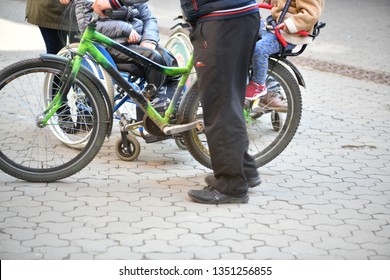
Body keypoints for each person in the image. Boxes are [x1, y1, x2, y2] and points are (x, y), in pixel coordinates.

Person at [93, 0, 261, 204]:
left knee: (220, 105)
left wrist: (113, 2)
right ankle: (243, 170)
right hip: (237, 17)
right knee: (228, 99)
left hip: (222, 22)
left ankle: (230, 185)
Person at [74, 0, 178, 113]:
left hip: (139, 40)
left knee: (168, 57)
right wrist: (126, 30)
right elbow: (86, 26)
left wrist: (149, 39)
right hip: (111, 45)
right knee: (153, 58)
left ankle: (177, 100)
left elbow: (149, 18)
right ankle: (157, 103)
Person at [245, 0, 325, 111]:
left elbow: (312, 14)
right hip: (276, 25)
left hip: (289, 33)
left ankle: (259, 86)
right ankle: (268, 88)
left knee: (260, 49)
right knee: (245, 28)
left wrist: (290, 24)